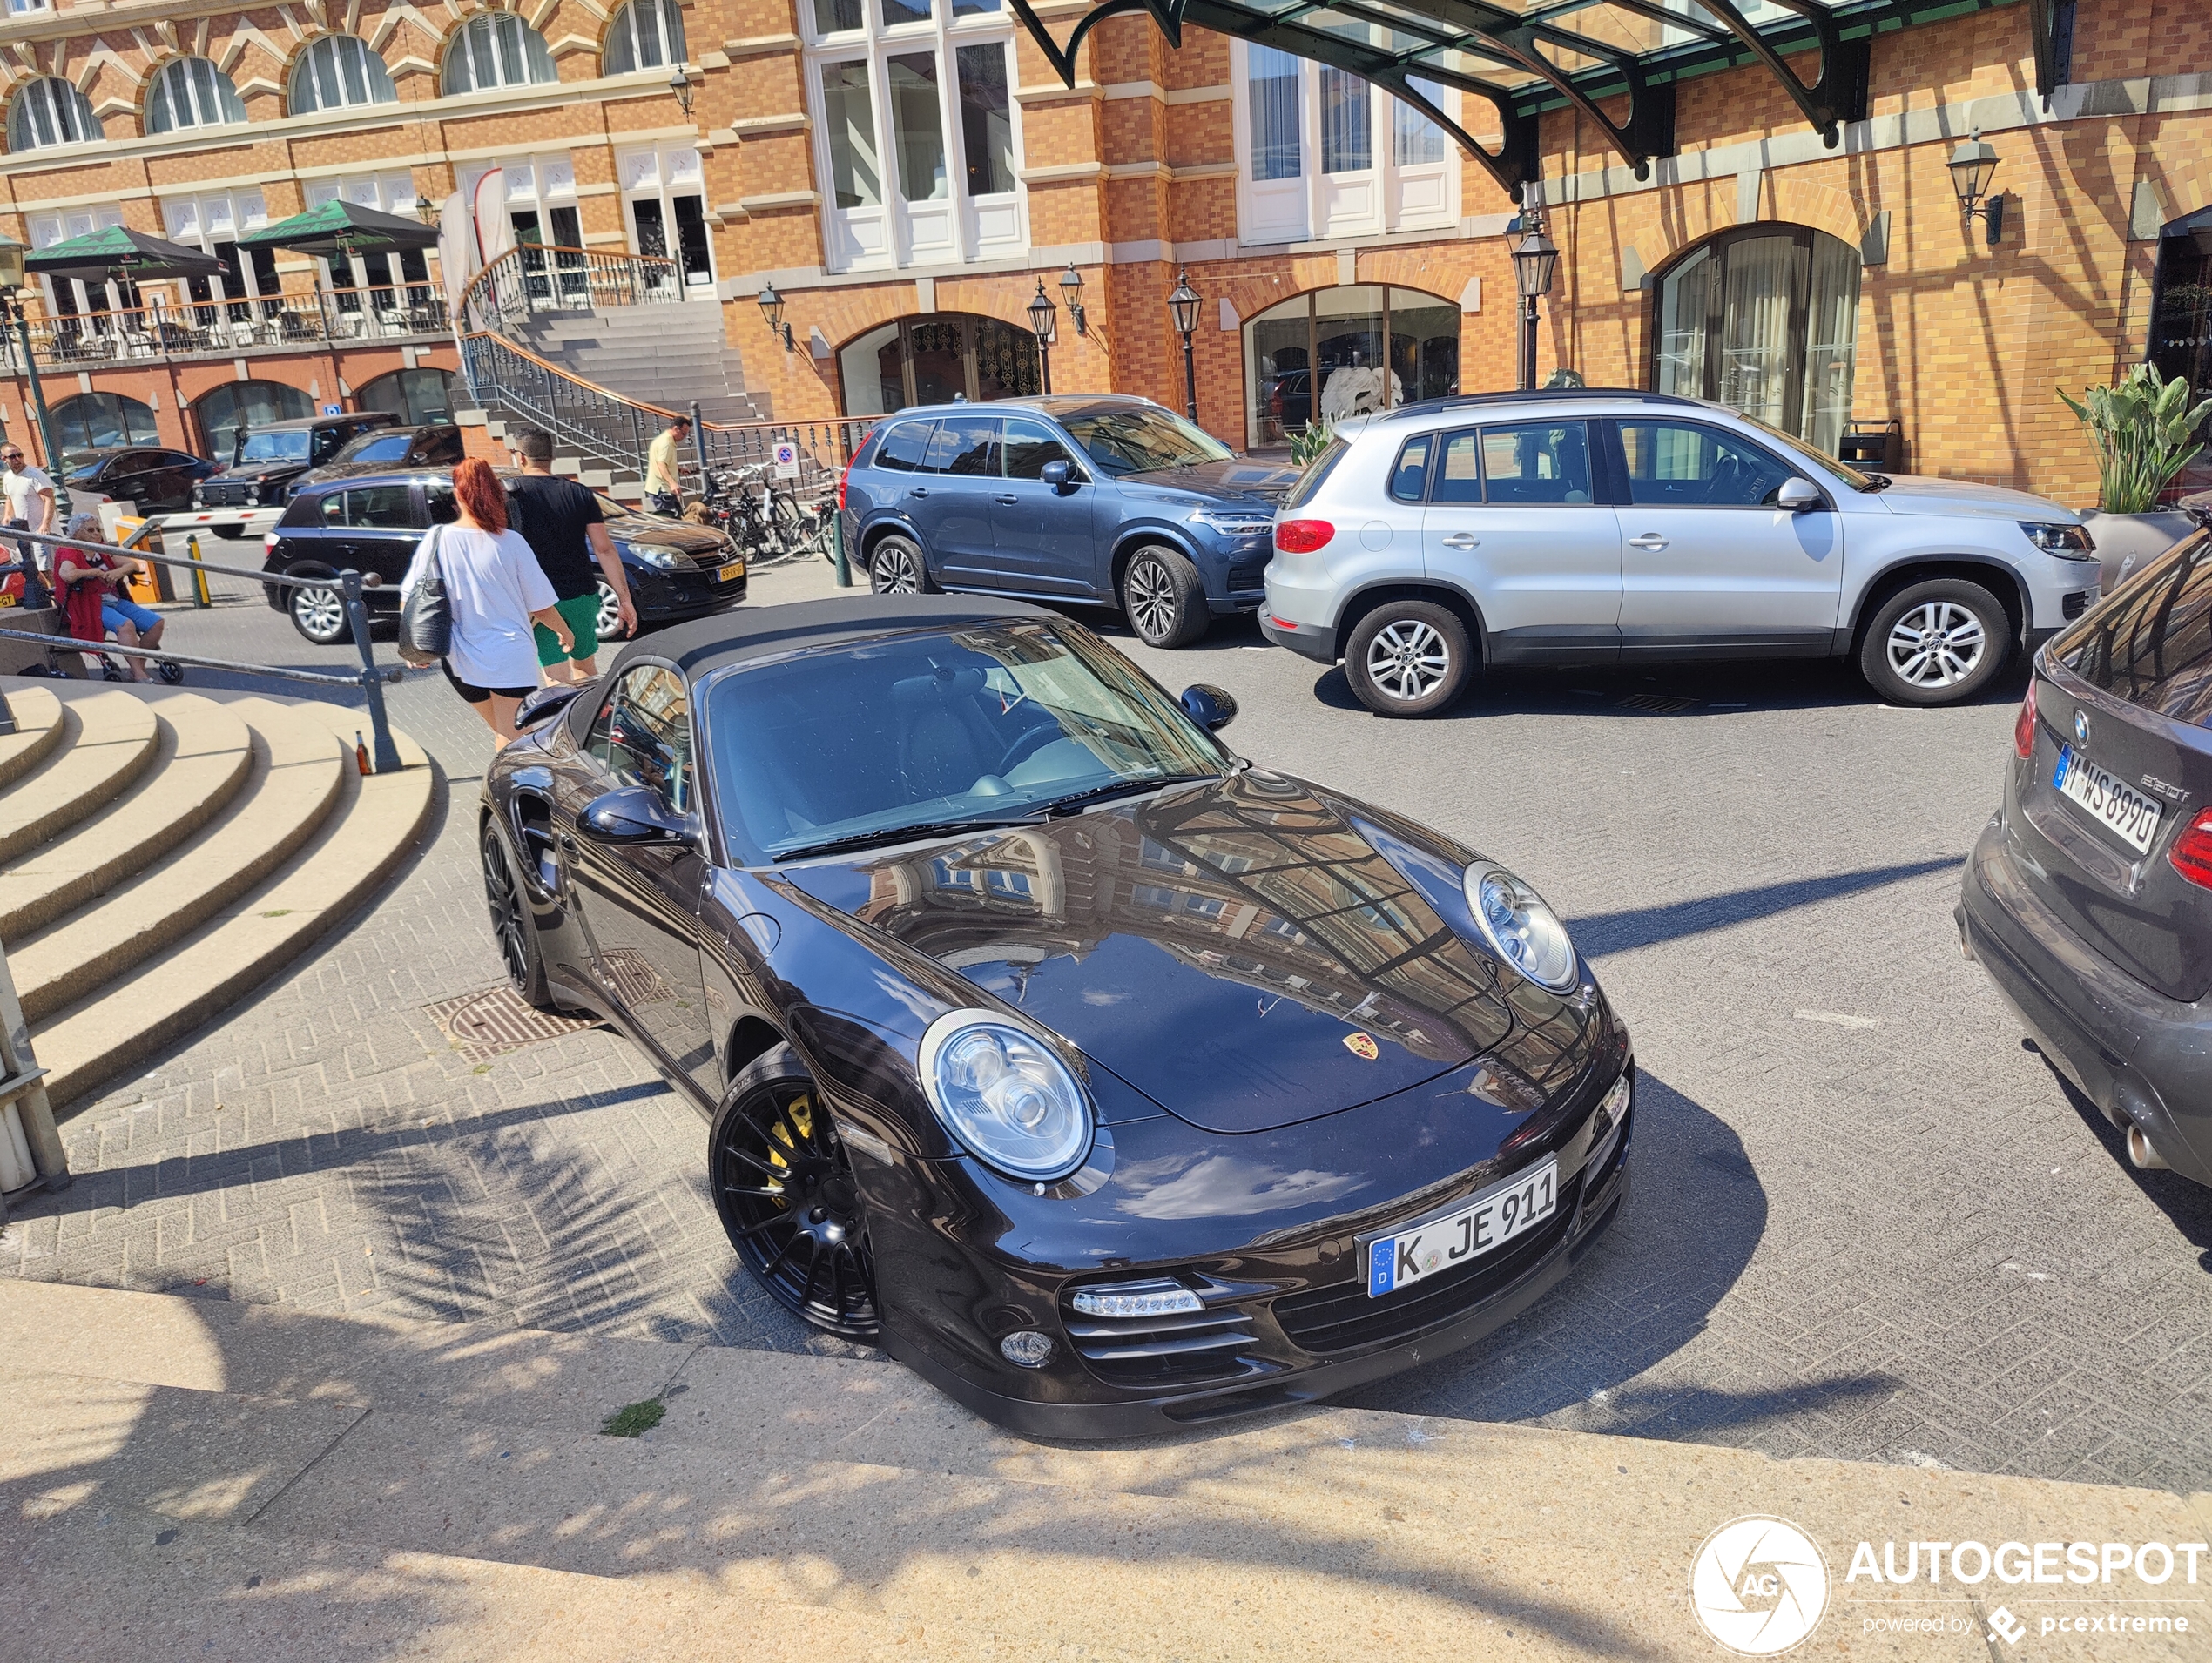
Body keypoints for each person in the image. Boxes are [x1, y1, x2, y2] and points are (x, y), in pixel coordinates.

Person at [401, 457, 574, 744]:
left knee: (505, 733)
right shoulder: (511, 542)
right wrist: (564, 631)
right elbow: (540, 605)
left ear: (457, 494)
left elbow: (410, 597)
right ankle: (507, 788)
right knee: (514, 737)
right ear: (495, 494)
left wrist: (413, 648)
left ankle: (502, 786)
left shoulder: (436, 538)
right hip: (508, 656)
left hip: (458, 657)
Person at [505, 425, 637, 685]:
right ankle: (588, 720)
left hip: (541, 601)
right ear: (550, 457)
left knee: (556, 678)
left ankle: (564, 725)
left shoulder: (510, 495)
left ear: (520, 457)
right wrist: (625, 599)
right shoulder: (580, 493)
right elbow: (604, 549)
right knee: (586, 668)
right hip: (582, 595)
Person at [54, 511, 163, 681]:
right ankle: (140, 674)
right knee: (126, 626)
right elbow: (67, 574)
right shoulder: (70, 550)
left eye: (98, 529)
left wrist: (117, 572)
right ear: (77, 533)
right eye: (90, 530)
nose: (97, 533)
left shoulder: (102, 548)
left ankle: (137, 668)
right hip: (87, 602)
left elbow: (132, 564)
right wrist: (94, 571)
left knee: (156, 623)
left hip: (112, 599)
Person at [3, 442, 57, 609]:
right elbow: (10, 498)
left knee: (46, 568)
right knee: (28, 568)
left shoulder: (35, 475)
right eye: (12, 456)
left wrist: (45, 524)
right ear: (4, 459)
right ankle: (47, 598)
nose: (18, 459)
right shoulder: (8, 478)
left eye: (20, 455)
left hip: (40, 532)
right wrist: (7, 516)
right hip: (24, 533)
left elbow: (49, 499)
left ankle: (58, 602)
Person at [644, 415, 690, 516]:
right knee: (670, 522)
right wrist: (672, 483)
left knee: (678, 517)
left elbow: (666, 461)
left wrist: (679, 469)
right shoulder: (666, 443)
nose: (684, 437)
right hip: (661, 490)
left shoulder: (667, 439)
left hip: (663, 488)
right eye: (683, 433)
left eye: (686, 434)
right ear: (675, 429)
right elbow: (661, 465)